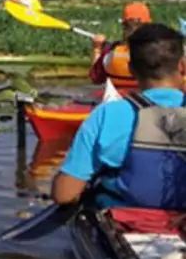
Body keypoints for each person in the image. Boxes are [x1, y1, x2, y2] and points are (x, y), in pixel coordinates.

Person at [52, 23, 186, 209]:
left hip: (125, 219)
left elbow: (64, 195)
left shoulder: (106, 114)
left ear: (131, 69)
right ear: (183, 66)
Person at [88, 2, 152, 89]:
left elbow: (95, 78)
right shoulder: (158, 50)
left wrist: (97, 48)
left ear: (124, 26)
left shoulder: (110, 51)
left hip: (117, 95)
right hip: (146, 95)